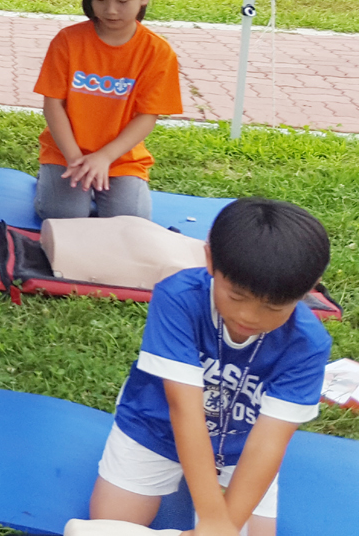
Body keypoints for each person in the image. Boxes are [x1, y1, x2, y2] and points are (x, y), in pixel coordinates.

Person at [89, 198, 332, 536]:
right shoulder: (179, 298)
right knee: (109, 524)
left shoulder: (307, 343)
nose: (249, 316)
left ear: (309, 288)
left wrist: (225, 526)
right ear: (210, 259)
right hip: (155, 426)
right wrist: (213, 517)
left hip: (241, 447)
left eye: (273, 307)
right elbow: (183, 409)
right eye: (237, 296)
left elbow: (269, 441)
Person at [35, 0, 183, 221]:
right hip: (66, 153)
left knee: (130, 219)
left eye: (122, 0)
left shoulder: (157, 52)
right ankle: (49, 179)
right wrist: (75, 159)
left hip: (121, 159)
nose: (110, 10)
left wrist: (104, 157)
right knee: (66, 215)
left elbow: (147, 116)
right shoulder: (67, 41)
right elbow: (53, 105)